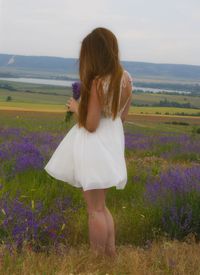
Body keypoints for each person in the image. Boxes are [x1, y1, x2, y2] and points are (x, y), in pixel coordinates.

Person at [44, 27, 133, 258]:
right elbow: (120, 118)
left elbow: (91, 125)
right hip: (112, 144)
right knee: (101, 207)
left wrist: (76, 108)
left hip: (94, 147)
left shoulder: (96, 82)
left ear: (93, 54)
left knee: (94, 209)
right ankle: (110, 255)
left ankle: (96, 259)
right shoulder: (126, 79)